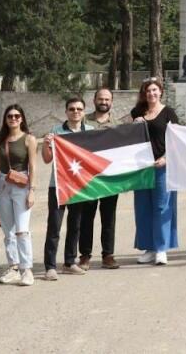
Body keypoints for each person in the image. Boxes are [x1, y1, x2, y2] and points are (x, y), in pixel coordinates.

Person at [40, 97, 93, 280]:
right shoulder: (56, 131)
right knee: (54, 226)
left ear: (84, 112)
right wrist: (47, 145)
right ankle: (50, 266)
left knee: (75, 225)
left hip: (79, 186)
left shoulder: (91, 132)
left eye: (79, 109)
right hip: (58, 185)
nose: (75, 112)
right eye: (72, 109)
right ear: (66, 112)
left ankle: (70, 262)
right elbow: (47, 160)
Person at [131, 78, 180, 265]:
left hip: (162, 166)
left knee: (161, 207)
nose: (151, 94)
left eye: (154, 90)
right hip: (142, 168)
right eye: (148, 91)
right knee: (143, 207)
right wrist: (133, 125)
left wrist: (167, 157)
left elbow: (178, 139)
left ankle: (161, 248)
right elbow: (129, 139)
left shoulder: (169, 113)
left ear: (160, 92)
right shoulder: (137, 112)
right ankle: (149, 248)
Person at [0, 104, 38, 286]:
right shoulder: (0, 139)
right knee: (7, 230)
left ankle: (27, 269)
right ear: (5, 119)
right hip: (3, 184)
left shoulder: (29, 139)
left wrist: (32, 191)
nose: (13, 119)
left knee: (22, 229)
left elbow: (33, 166)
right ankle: (13, 266)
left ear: (22, 119)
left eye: (17, 116)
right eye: (10, 116)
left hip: (21, 184)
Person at [82, 87, 121, 269]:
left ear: (111, 102)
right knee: (86, 217)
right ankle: (85, 256)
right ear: (94, 100)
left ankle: (108, 255)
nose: (103, 102)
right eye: (100, 99)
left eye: (107, 99)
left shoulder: (118, 125)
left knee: (108, 217)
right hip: (88, 178)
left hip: (109, 178)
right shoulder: (83, 120)